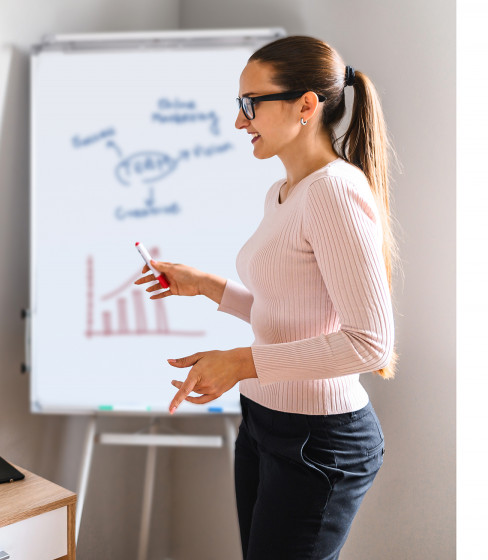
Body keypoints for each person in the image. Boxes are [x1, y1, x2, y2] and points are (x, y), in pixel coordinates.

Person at [135, 36, 394, 559]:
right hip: (264, 423)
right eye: (239, 104)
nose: (239, 121)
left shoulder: (334, 192)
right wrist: (207, 286)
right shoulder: (284, 192)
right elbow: (295, 317)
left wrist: (242, 361)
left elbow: (370, 344)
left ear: (305, 105)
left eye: (251, 104)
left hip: (319, 442)